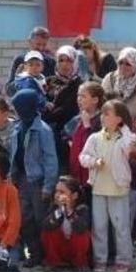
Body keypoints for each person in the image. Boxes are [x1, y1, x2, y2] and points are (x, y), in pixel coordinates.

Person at [79, 100, 136, 272]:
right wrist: (93, 162)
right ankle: (100, 259)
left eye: (107, 114)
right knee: (99, 226)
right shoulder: (95, 137)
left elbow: (131, 146)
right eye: (103, 114)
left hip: (118, 189)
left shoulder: (124, 138)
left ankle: (123, 259)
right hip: (98, 188)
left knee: (121, 226)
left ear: (119, 118)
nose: (103, 117)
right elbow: (83, 156)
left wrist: (125, 128)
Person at [9, 89, 58, 267]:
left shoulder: (42, 130)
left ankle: (47, 255)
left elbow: (50, 159)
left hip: (38, 181)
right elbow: (14, 154)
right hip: (22, 180)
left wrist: (48, 186)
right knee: (25, 219)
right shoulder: (17, 127)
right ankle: (35, 253)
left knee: (41, 219)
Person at [45, 45, 85, 175]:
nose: (64, 64)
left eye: (69, 61)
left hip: (69, 134)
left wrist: (50, 113)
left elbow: (69, 109)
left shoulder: (80, 84)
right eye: (61, 60)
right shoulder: (49, 82)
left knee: (67, 172)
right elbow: (41, 105)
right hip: (49, 134)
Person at [41, 175, 91, 272]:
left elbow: (81, 228)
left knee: (83, 233)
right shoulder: (54, 207)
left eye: (62, 192)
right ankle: (53, 263)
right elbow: (45, 225)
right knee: (48, 232)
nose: (58, 195)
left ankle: (81, 264)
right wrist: (60, 211)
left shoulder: (82, 208)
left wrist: (69, 211)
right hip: (61, 248)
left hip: (75, 249)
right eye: (57, 191)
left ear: (74, 195)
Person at [65, 82, 104, 189]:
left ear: (95, 100)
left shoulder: (102, 120)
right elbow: (65, 133)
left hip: (92, 176)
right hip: (76, 173)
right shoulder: (77, 118)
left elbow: (97, 145)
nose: (79, 99)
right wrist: (69, 141)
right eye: (78, 96)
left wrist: (87, 125)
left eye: (83, 96)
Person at [102, 47, 136, 126]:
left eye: (128, 64)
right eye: (120, 62)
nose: (123, 67)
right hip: (110, 127)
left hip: (135, 130)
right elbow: (102, 102)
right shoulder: (109, 79)